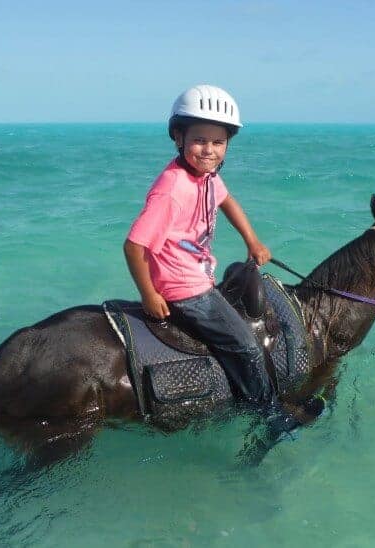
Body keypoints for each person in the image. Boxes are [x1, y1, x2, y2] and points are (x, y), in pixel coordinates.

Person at [123, 84, 298, 446]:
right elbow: (133, 245)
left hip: (200, 275)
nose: (209, 150)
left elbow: (227, 200)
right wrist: (149, 294)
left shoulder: (207, 177)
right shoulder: (172, 188)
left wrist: (252, 240)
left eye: (218, 143)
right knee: (247, 345)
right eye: (200, 140)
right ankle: (269, 415)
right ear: (178, 136)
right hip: (185, 290)